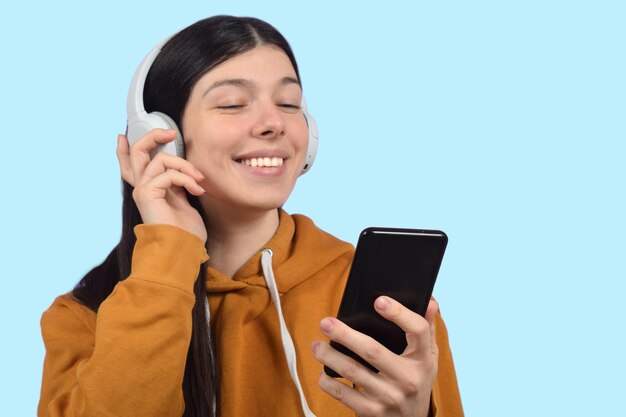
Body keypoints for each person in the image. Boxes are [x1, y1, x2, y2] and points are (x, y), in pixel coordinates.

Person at [38, 15, 464, 417]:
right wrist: (167, 256)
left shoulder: (388, 306)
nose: (273, 123)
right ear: (161, 139)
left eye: (289, 102)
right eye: (232, 104)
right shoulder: (84, 317)